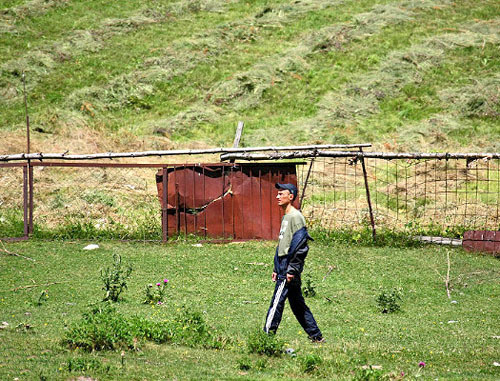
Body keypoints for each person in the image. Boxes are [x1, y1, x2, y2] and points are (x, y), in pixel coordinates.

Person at [263, 183, 324, 342]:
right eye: (277, 194)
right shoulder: (286, 217)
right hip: (283, 265)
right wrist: (276, 267)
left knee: (277, 302)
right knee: (297, 304)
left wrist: (291, 270)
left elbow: (300, 246)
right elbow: (283, 245)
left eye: (281, 194)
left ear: (290, 197)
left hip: (289, 266)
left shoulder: (296, 217)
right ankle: (316, 336)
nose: (277, 197)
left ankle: (266, 337)